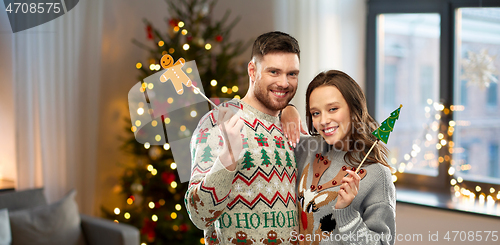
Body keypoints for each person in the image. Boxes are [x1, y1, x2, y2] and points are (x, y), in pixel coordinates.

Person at [185, 31, 301, 245]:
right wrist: (228, 158)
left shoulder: (291, 127)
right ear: (252, 70)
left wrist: (290, 109)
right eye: (274, 72)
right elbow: (198, 215)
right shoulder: (216, 122)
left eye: (292, 74)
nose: (284, 83)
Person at [281, 70, 396, 245]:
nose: (323, 120)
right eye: (315, 113)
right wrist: (287, 109)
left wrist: (346, 212)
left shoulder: (377, 174)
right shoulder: (306, 148)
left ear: (354, 107)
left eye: (333, 109)